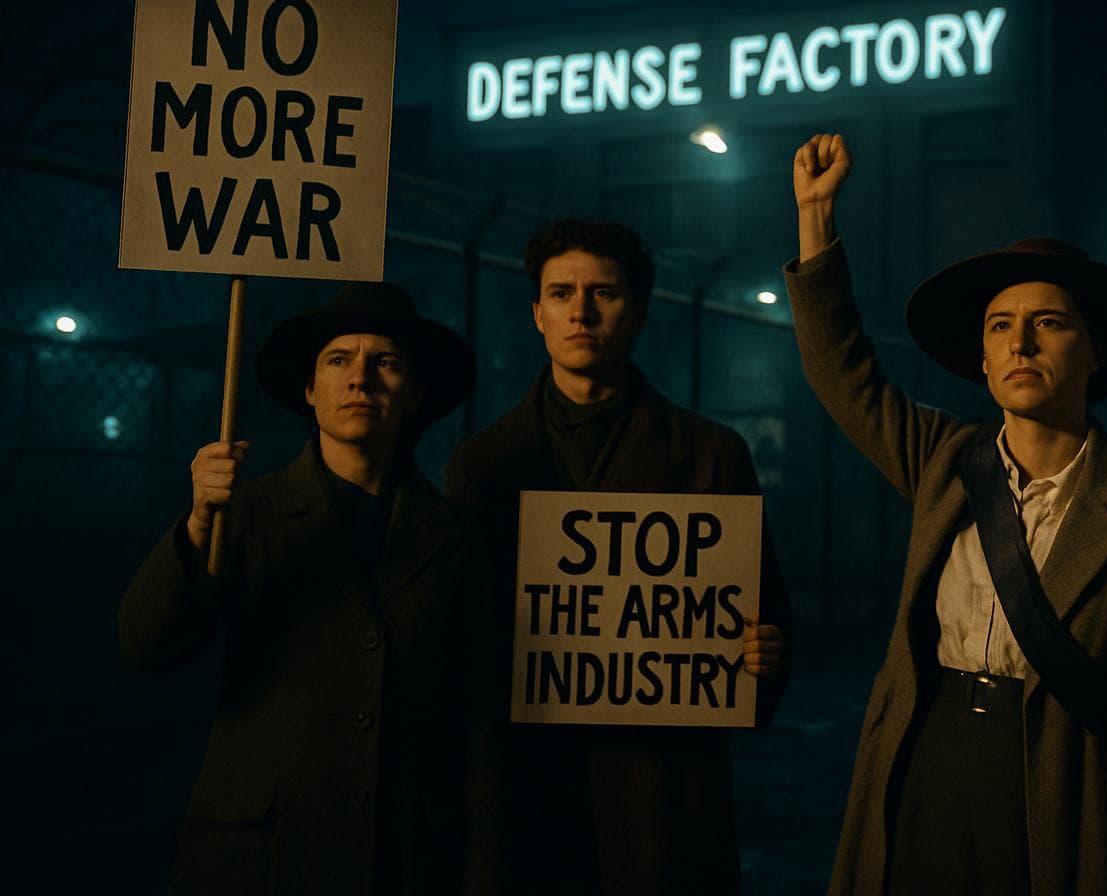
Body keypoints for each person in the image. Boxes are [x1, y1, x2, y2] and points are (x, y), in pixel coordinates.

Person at [785, 133, 1107, 895]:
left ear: (1095, 353)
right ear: (981, 359)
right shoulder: (945, 458)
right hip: (930, 751)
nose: (1020, 341)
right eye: (1000, 325)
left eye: (1049, 322)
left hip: (1060, 774)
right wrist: (815, 219)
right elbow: (842, 373)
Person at [445, 217, 791, 895]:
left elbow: (763, 620)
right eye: (562, 292)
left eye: (602, 292)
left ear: (636, 310)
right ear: (537, 312)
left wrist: (763, 655)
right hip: (529, 793)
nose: (581, 309)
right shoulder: (480, 465)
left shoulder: (712, 455)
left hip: (662, 796)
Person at [118, 282, 500, 896]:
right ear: (308, 390)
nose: (360, 379)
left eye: (386, 362)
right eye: (337, 360)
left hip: (401, 858)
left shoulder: (456, 539)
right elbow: (145, 643)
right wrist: (195, 527)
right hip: (260, 859)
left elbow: (478, 726)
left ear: (416, 394)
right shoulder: (246, 513)